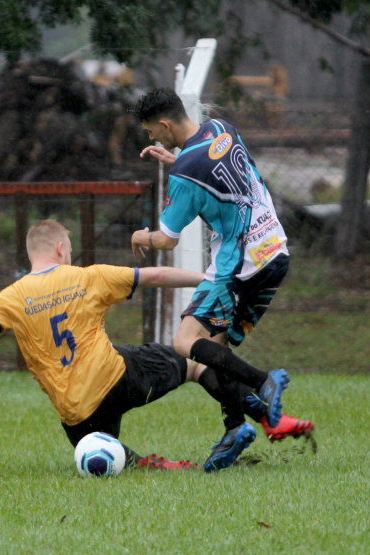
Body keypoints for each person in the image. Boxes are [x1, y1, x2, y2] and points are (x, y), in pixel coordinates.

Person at [0, 219, 240, 473]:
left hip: (76, 416)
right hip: (114, 381)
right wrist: (209, 280)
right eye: (69, 251)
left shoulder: (10, 298)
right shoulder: (87, 277)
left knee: (99, 449)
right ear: (60, 249)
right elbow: (155, 276)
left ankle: (143, 463)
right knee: (193, 363)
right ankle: (240, 420)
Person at [131, 87, 314, 467]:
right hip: (274, 251)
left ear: (164, 124)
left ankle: (265, 381)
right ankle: (236, 427)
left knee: (185, 343)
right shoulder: (221, 128)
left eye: (151, 131)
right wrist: (177, 158)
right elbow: (216, 170)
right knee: (215, 349)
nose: (151, 138)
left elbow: (166, 239)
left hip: (239, 265)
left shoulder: (184, 175)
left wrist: (141, 236)